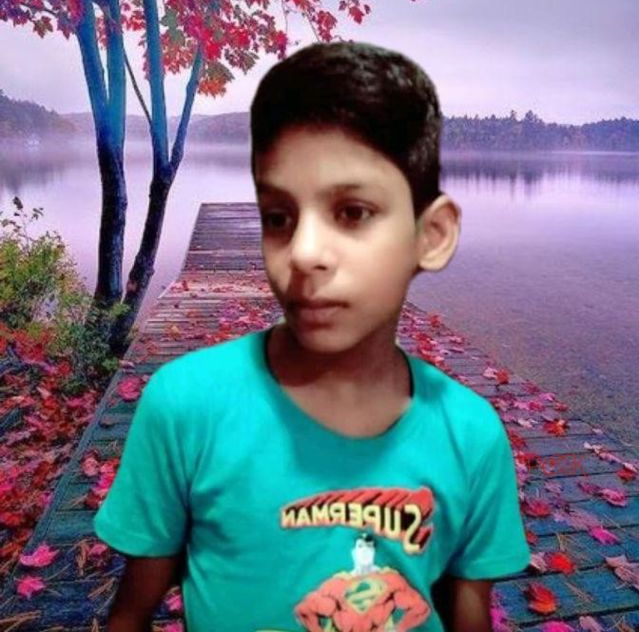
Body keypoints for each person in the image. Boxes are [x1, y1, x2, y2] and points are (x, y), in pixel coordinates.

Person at [93, 40, 531, 632]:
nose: (302, 253)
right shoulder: (187, 408)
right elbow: (131, 612)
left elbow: (466, 608)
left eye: (352, 212)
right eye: (279, 217)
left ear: (431, 236)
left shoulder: (470, 435)